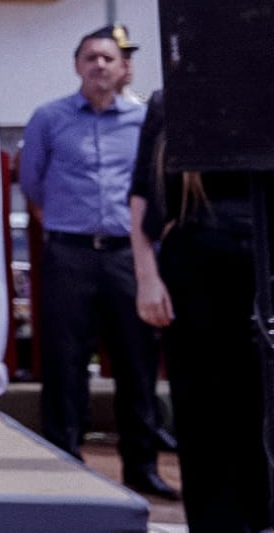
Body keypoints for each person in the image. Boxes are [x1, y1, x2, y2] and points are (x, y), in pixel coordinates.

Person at [18, 25, 178, 499]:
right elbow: (34, 185)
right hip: (69, 255)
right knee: (64, 363)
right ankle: (63, 465)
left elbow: (158, 185)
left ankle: (141, 467)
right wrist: (73, 226)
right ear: (77, 66)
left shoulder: (146, 119)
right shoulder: (49, 118)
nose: (100, 65)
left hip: (128, 257)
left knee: (136, 363)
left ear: (123, 66)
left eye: (109, 58)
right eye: (90, 57)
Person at [130, 90, 270, 529]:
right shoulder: (172, 98)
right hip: (196, 262)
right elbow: (141, 198)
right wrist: (147, 278)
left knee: (263, 410)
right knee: (205, 411)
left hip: (266, 263)